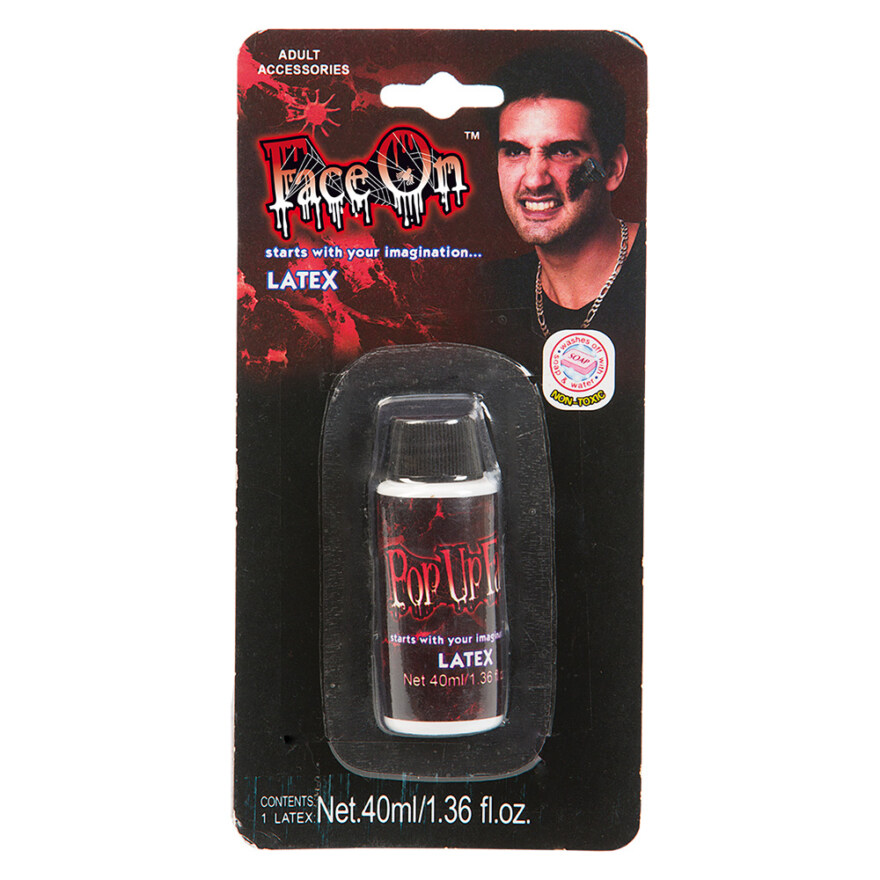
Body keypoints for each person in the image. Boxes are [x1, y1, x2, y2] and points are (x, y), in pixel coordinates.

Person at [478, 48, 645, 381]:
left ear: (613, 168)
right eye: (515, 151)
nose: (534, 180)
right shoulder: (491, 291)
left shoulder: (663, 272)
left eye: (563, 151)